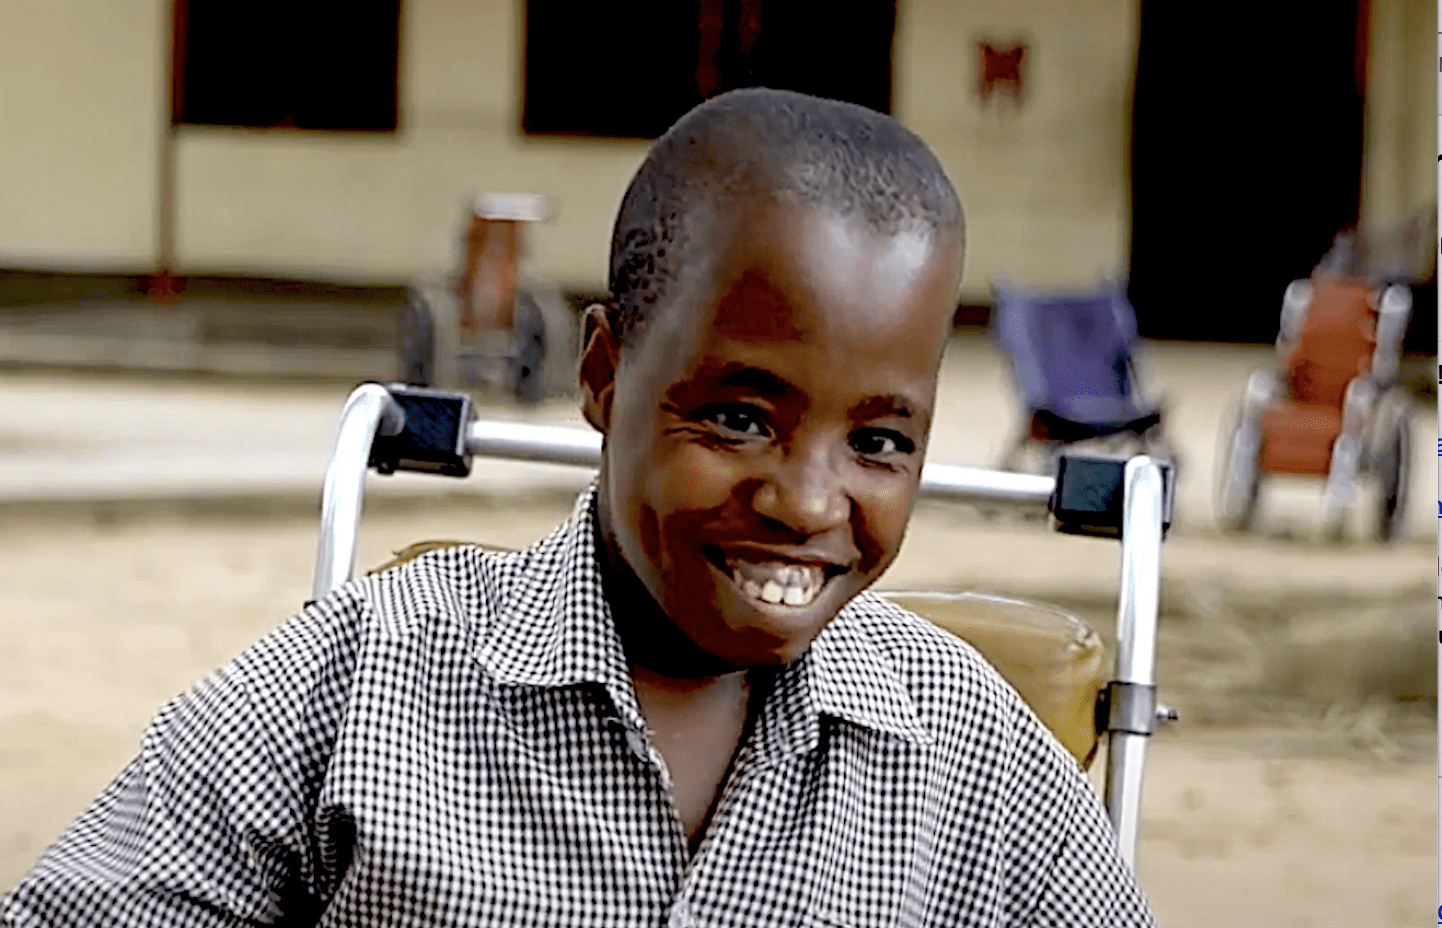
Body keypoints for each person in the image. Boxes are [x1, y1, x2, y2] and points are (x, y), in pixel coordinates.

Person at [1, 87, 1155, 927]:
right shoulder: (362, 684)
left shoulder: (971, 753)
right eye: (741, 417)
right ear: (603, 373)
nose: (807, 498)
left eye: (878, 441)